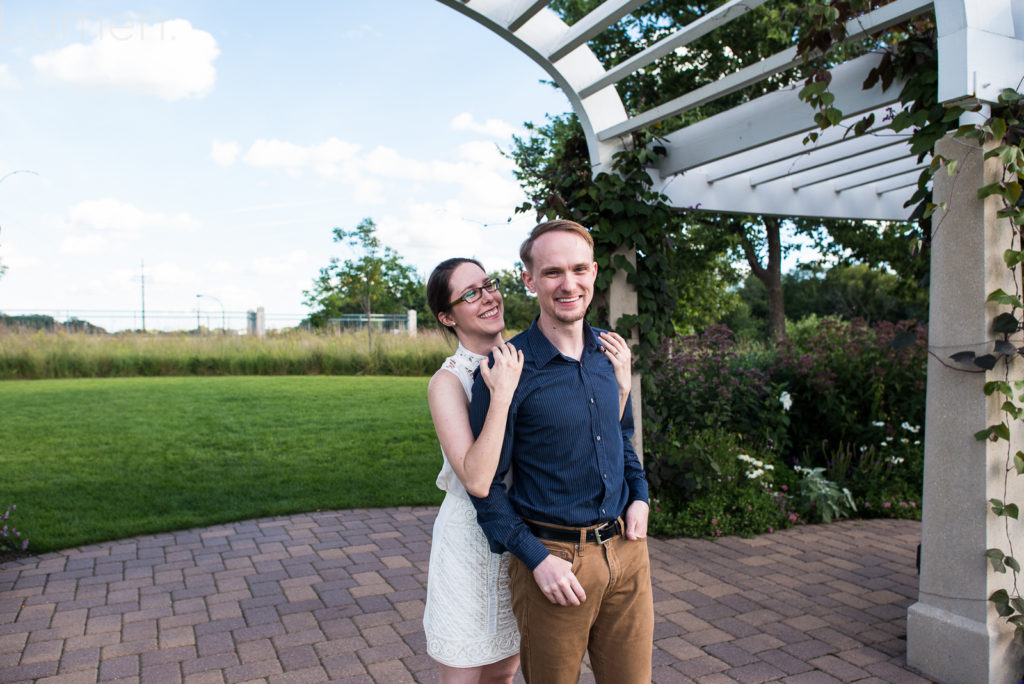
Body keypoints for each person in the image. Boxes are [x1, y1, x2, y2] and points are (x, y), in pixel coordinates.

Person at [422, 256, 633, 684]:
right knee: (463, 675)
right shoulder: (449, 382)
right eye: (470, 294)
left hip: (529, 539)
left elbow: (582, 444)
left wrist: (622, 387)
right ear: (447, 316)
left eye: (488, 285)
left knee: (503, 672)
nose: (488, 297)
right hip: (472, 548)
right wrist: (500, 395)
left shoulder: (523, 358)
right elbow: (478, 480)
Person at [468, 220, 653, 684]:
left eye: (577, 270)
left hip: (628, 558)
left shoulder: (609, 353)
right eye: (552, 273)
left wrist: (641, 495)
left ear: (593, 273)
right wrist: (536, 559)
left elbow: (621, 436)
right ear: (529, 280)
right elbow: (484, 488)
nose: (568, 284)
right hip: (553, 564)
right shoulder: (506, 368)